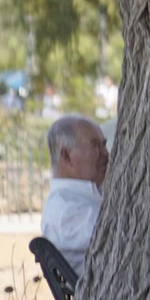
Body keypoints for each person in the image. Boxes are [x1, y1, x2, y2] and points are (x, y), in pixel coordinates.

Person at [41, 116, 109, 275]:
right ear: (66, 156)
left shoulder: (77, 199)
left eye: (104, 145)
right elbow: (125, 235)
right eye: (95, 146)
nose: (105, 153)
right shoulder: (66, 208)